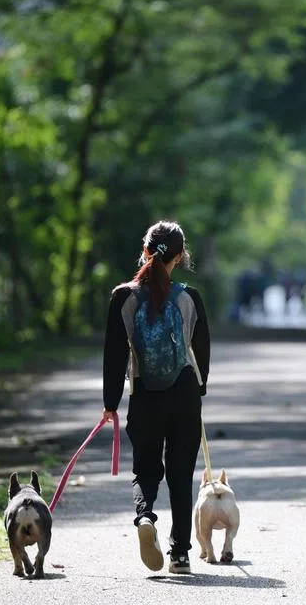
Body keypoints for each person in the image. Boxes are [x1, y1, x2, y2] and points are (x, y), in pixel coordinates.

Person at [102, 221, 211, 575]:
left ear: (145, 251)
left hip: (145, 394)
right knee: (180, 474)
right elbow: (202, 352)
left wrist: (110, 403)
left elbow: (114, 355)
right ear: (180, 256)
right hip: (184, 393)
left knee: (146, 470)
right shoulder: (190, 298)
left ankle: (145, 517)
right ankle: (179, 554)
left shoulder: (124, 297)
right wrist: (200, 389)